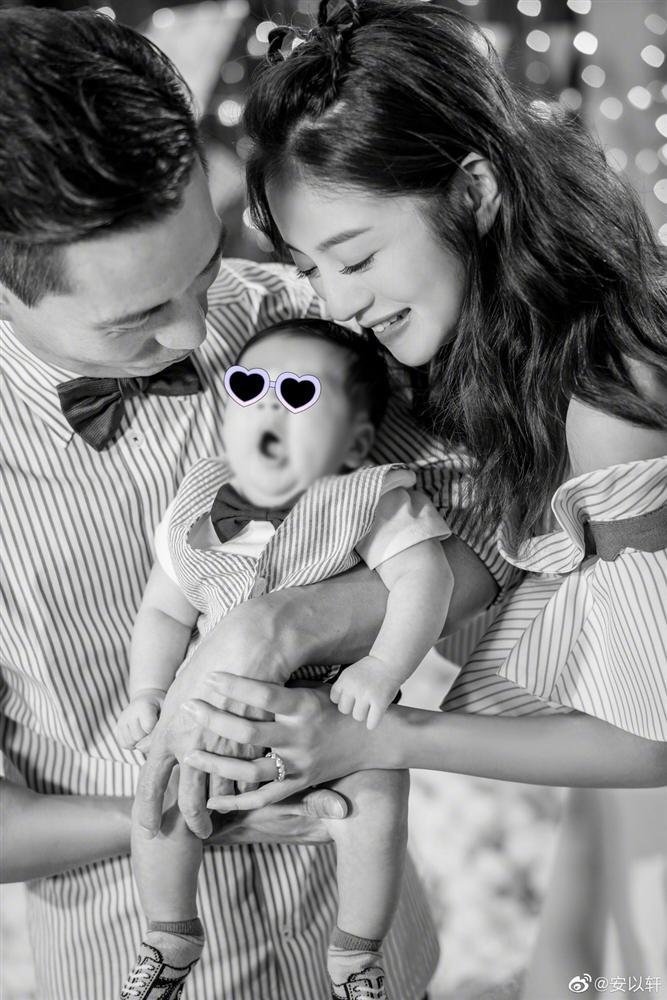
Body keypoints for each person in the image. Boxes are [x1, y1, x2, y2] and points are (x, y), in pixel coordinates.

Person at [0, 7, 513, 1000]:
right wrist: (174, 812)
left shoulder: (304, 324)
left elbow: (503, 532)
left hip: (371, 952)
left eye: (204, 266)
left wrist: (291, 622)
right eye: (140, 318)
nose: (198, 334)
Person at [148, 0, 667, 862]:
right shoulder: (468, 341)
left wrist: (376, 736)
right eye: (311, 268)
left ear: (474, 191)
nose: (339, 300)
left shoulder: (612, 396)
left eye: (355, 258)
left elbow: (653, 742)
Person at [116, 318, 452, 998]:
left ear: (354, 443)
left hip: (330, 706)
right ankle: (169, 936)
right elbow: (164, 611)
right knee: (159, 801)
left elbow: (428, 580)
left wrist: (383, 667)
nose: (270, 406)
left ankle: (356, 955)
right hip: (209, 714)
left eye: (298, 393)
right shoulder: (196, 503)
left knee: (376, 801)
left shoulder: (369, 497)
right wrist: (148, 691)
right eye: (250, 387)